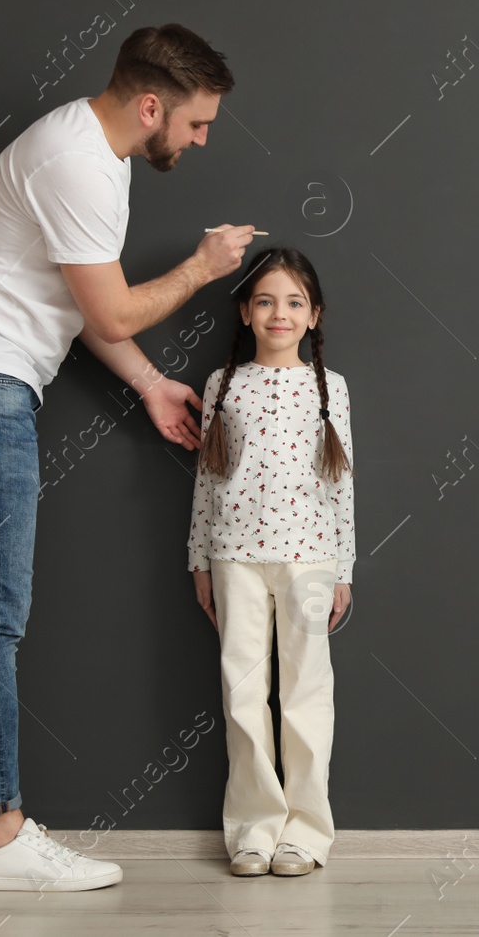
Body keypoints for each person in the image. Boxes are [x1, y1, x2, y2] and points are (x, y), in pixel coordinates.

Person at [0, 23, 261, 892]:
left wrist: (146, 383)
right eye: (197, 123)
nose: (201, 139)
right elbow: (108, 312)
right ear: (152, 105)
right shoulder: (78, 164)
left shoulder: (85, 150)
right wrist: (204, 268)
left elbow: (81, 303)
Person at [187, 247, 355, 878]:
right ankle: (254, 830)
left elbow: (342, 484)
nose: (278, 313)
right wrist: (199, 559)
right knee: (242, 694)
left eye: (293, 302)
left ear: (313, 315)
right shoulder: (222, 387)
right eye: (265, 301)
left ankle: (307, 833)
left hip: (309, 558)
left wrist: (344, 568)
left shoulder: (329, 388)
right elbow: (207, 477)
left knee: (307, 695)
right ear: (245, 312)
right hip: (234, 558)